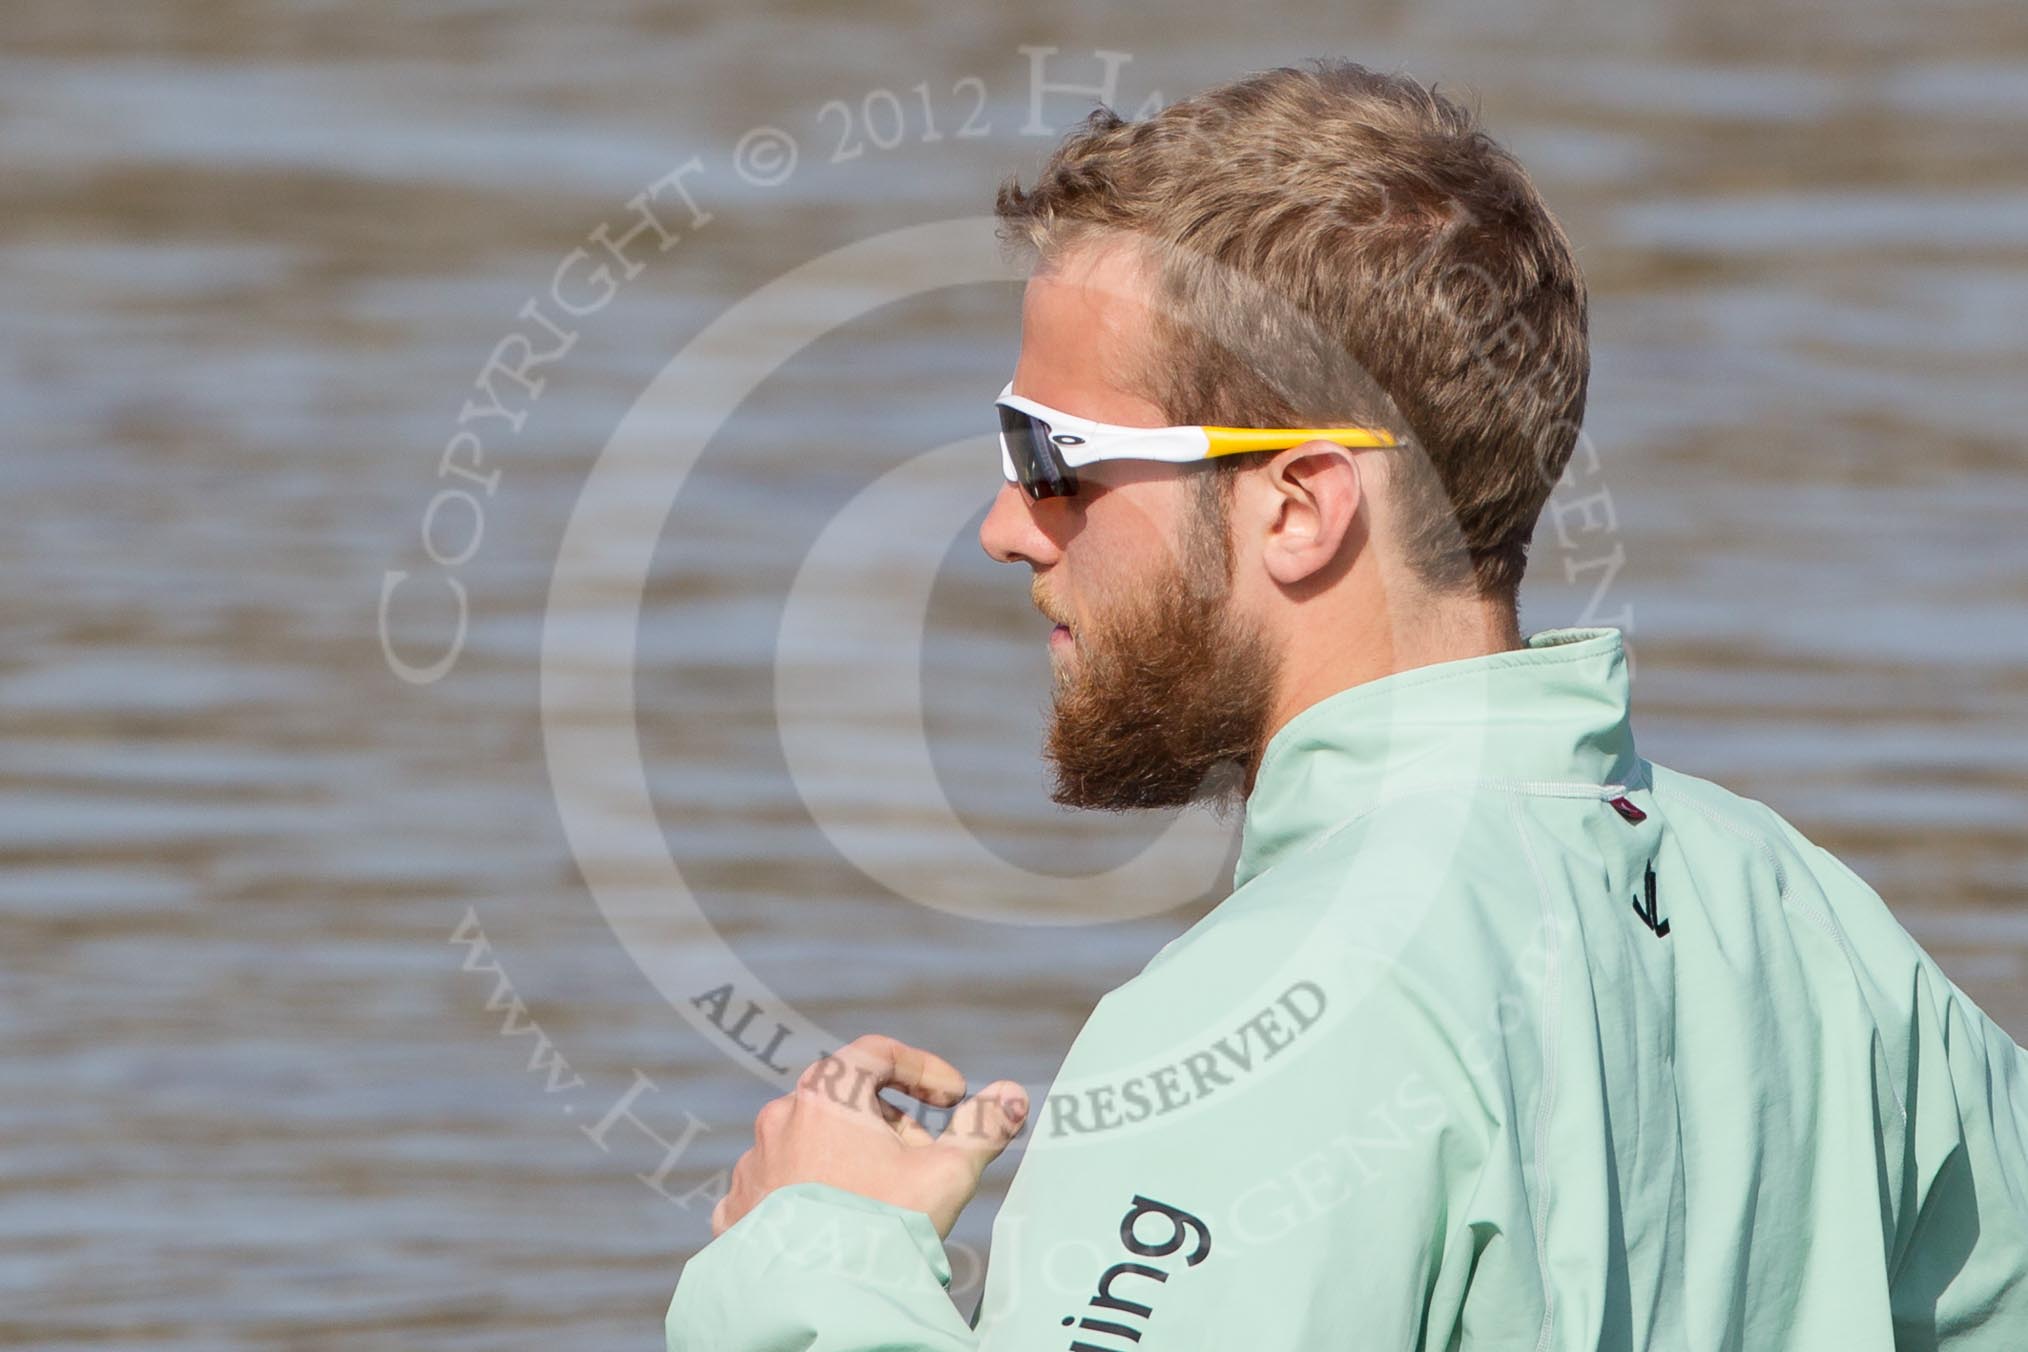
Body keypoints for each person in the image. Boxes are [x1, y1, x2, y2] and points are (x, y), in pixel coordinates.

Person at [665, 61, 2028, 1350]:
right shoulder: (1814, 924)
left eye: (1054, 458)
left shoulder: (1256, 1034)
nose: (1005, 527)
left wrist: (812, 1260)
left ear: (1301, 503)